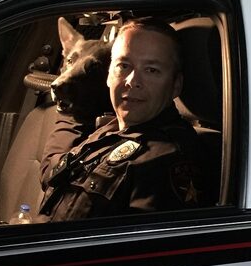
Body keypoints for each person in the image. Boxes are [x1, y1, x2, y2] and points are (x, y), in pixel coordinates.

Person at [37, 17, 203, 222]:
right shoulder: (108, 132)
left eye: (151, 70)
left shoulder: (165, 158)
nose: (132, 81)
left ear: (176, 85)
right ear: (108, 76)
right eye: (123, 65)